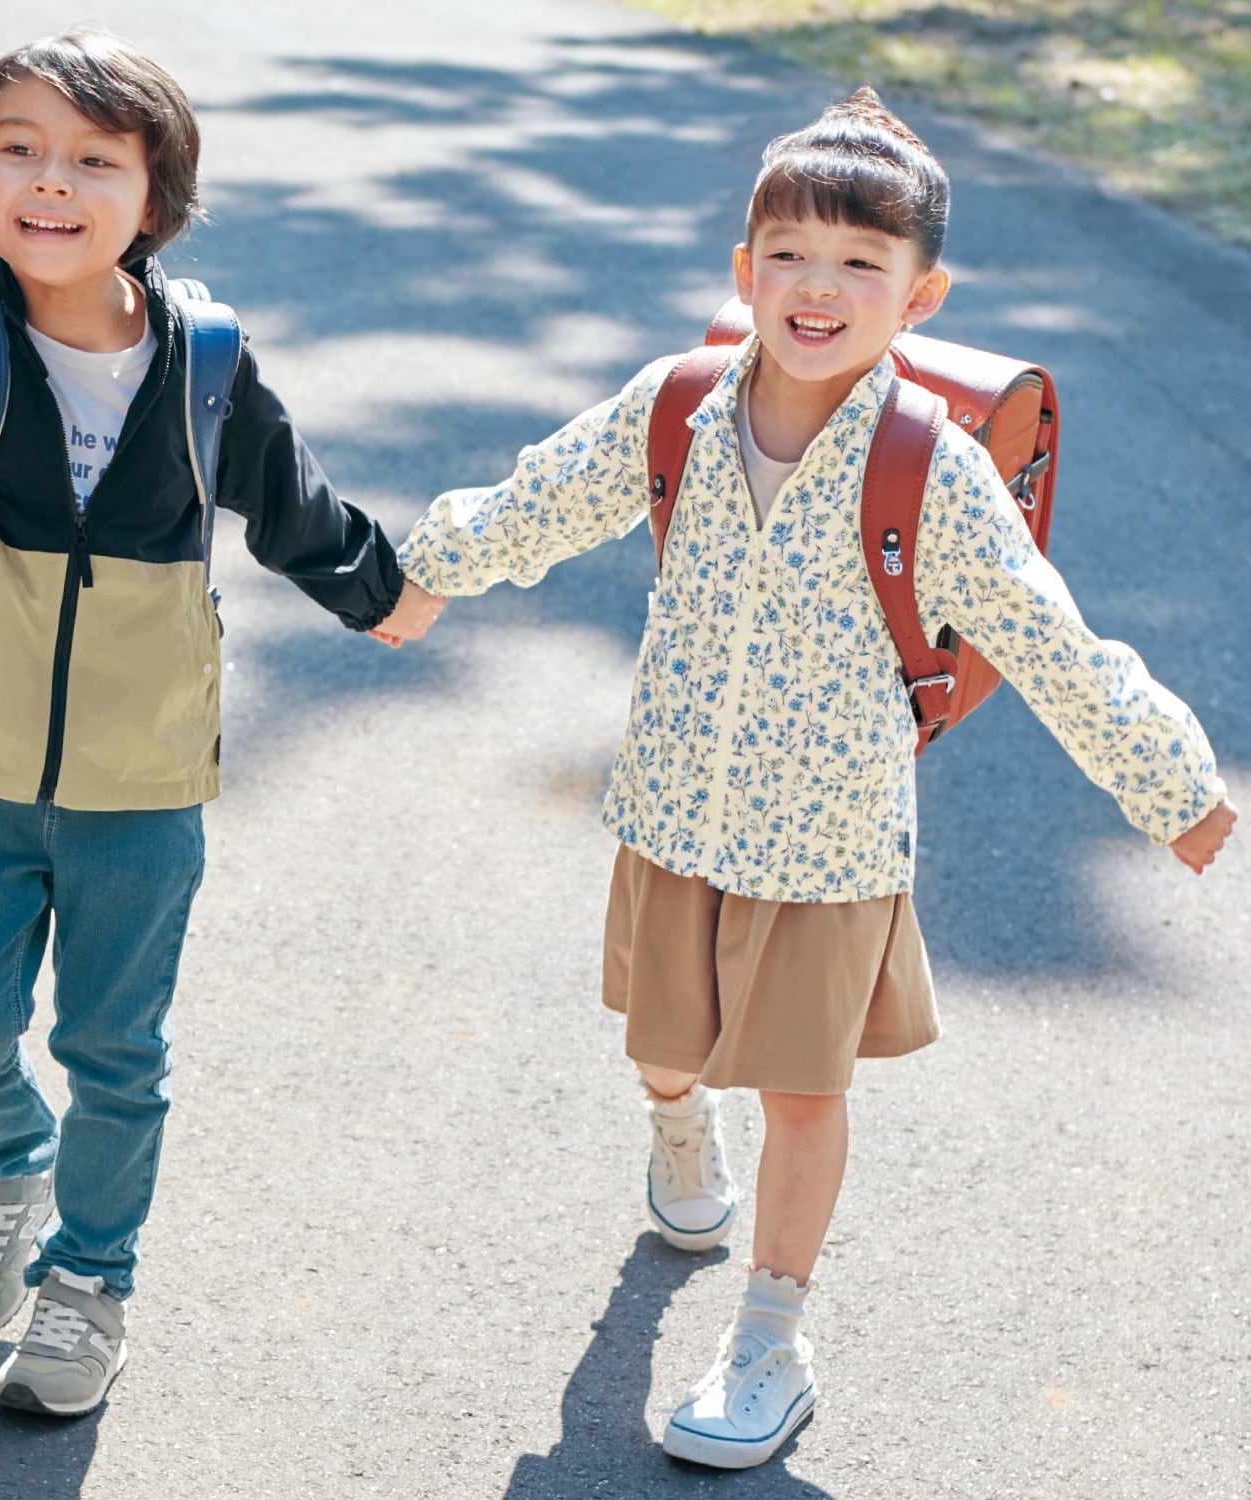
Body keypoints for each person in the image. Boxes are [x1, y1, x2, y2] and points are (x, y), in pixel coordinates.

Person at [389, 86, 1236, 1469]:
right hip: (673, 813)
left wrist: (1172, 786)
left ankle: (770, 1337)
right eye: (789, 253)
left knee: (799, 1093)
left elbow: (1052, 640)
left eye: (860, 263)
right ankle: (678, 1142)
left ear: (920, 293)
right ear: (745, 271)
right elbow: (541, 495)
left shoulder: (934, 471)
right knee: (666, 1051)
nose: (819, 286)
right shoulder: (675, 411)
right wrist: (425, 571)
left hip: (832, 847)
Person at [0, 29, 443, 1418]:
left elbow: (292, 500)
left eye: (96, 160)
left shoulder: (204, 362)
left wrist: (379, 590)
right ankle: (5, 1161)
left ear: (155, 202)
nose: (52, 182)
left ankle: (89, 1284)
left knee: (115, 1046)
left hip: (143, 774)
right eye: (18, 149)